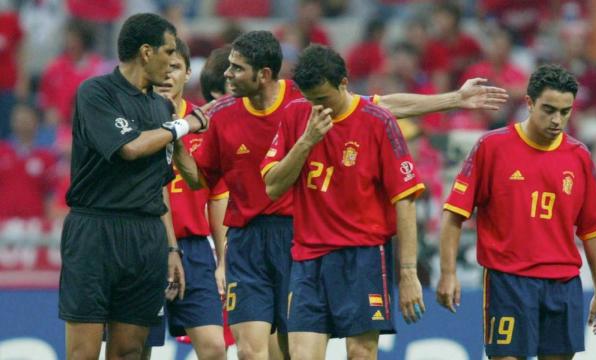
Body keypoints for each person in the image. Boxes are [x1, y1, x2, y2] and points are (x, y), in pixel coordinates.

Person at [172, 30, 509, 360]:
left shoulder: (307, 99)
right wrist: (175, 143)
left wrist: (454, 99)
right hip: (253, 240)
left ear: (263, 75)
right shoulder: (231, 114)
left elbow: (383, 107)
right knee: (250, 350)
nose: (229, 75)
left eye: (237, 67)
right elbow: (201, 180)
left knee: (295, 350)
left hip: (301, 235)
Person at [436, 64, 596, 360]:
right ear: (529, 103)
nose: (557, 120)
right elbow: (454, 213)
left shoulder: (579, 156)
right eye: (548, 109)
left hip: (563, 285)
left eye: (565, 112)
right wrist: (448, 273)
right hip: (508, 282)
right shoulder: (491, 146)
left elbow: (593, 230)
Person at [58, 13, 210, 359]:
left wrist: (171, 249)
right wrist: (182, 126)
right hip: (95, 230)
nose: (174, 60)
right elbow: (129, 148)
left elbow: (171, 181)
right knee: (83, 352)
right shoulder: (96, 92)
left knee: (129, 351)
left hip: (145, 237)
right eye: (169, 50)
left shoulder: (160, 107)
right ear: (145, 52)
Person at [261, 44, 425, 359]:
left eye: (323, 99)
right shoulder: (297, 115)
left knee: (360, 353)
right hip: (308, 258)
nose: (318, 109)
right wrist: (307, 141)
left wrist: (407, 274)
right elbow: (273, 187)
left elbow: (405, 201)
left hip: (362, 257)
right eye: (311, 100)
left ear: (344, 84)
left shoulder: (378, 121)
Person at [153, 37, 230, 360]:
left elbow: (218, 198)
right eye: (163, 67)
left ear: (187, 75)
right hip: (147, 246)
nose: (168, 75)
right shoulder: (136, 124)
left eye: (176, 68)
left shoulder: (204, 124)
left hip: (196, 249)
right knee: (134, 347)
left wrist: (223, 261)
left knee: (214, 347)